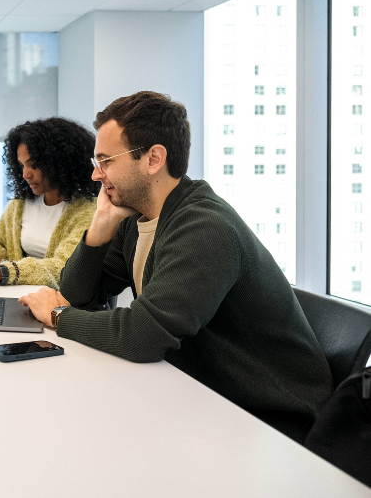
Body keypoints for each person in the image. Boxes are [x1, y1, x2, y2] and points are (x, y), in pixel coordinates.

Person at [19, 91, 333, 444]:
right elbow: (77, 293)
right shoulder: (136, 218)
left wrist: (58, 316)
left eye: (106, 161)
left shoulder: (205, 227)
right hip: (198, 391)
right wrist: (101, 225)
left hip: (269, 421)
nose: (95, 174)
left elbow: (143, 334)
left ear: (153, 158)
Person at [0, 117, 98, 289]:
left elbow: (65, 268)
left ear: (61, 163)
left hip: (59, 306)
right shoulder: (20, 204)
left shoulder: (89, 211)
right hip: (20, 295)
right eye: (21, 166)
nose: (25, 174)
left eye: (33, 165)